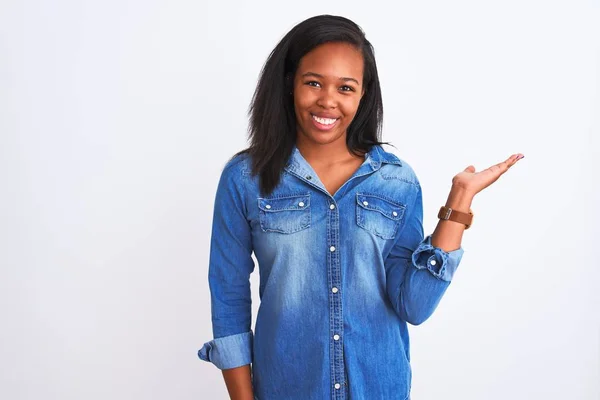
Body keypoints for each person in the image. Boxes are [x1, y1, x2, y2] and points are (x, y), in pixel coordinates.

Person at [197, 14, 523, 400]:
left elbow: (414, 305)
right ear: (289, 84)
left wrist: (459, 202)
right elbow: (229, 297)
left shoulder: (395, 180)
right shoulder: (245, 178)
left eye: (346, 87)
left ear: (364, 94)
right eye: (313, 82)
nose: (328, 101)